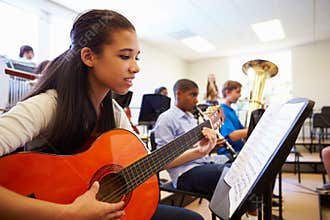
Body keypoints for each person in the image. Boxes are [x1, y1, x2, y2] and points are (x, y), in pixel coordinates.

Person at [0, 9, 205, 220]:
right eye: (125, 56)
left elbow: (146, 163)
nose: (135, 67)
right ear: (89, 56)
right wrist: (68, 213)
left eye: (136, 58)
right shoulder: (48, 105)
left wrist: (198, 151)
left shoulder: (114, 112)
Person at [218, 80, 247, 157]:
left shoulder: (231, 111)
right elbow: (232, 136)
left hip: (238, 150)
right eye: (237, 92)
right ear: (227, 92)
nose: (240, 95)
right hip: (228, 154)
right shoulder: (222, 111)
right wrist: (253, 130)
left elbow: (241, 130)